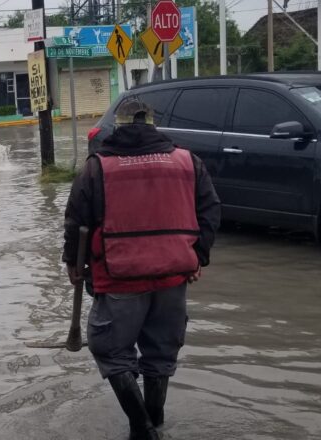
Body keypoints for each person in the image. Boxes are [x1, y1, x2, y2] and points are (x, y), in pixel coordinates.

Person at [63, 100, 221, 440]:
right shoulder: (187, 161)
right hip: (173, 276)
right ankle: (155, 423)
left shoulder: (97, 167)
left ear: (117, 126)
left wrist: (74, 266)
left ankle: (142, 428)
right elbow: (210, 211)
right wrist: (197, 257)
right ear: (152, 123)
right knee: (160, 353)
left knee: (110, 350)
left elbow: (77, 220)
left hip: (119, 276)